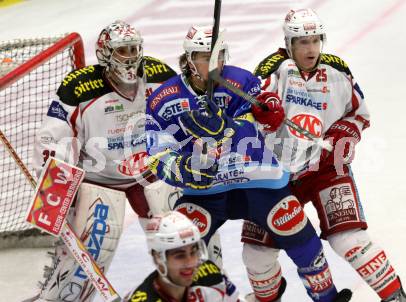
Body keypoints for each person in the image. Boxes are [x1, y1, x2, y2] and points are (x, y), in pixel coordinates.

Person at [145, 25, 352, 302]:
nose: (214, 64)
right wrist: (184, 170)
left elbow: (260, 127)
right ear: (189, 59)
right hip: (205, 190)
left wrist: (228, 125)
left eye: (218, 56)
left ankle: (327, 297)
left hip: (259, 180)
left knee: (300, 237)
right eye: (205, 57)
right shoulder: (162, 99)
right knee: (183, 246)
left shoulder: (242, 81)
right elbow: (156, 155)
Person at [241, 8, 406, 302]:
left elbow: (359, 114)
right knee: (256, 253)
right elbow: (248, 113)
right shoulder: (272, 69)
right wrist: (263, 114)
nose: (311, 48)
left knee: (350, 240)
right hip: (276, 176)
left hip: (325, 168)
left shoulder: (338, 70)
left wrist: (342, 131)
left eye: (316, 40)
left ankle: (396, 297)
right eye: (303, 42)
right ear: (289, 43)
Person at [29, 20, 178, 302]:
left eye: (135, 48)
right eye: (123, 50)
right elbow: (52, 139)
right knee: (93, 251)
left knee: (180, 237)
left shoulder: (158, 74)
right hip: (99, 181)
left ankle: (193, 291)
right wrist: (55, 190)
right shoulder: (80, 87)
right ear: (106, 54)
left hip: (149, 174)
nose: (132, 56)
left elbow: (181, 115)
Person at [124, 211, 240, 302]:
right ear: (157, 258)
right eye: (180, 256)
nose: (190, 263)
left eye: (193, 252)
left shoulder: (210, 275)